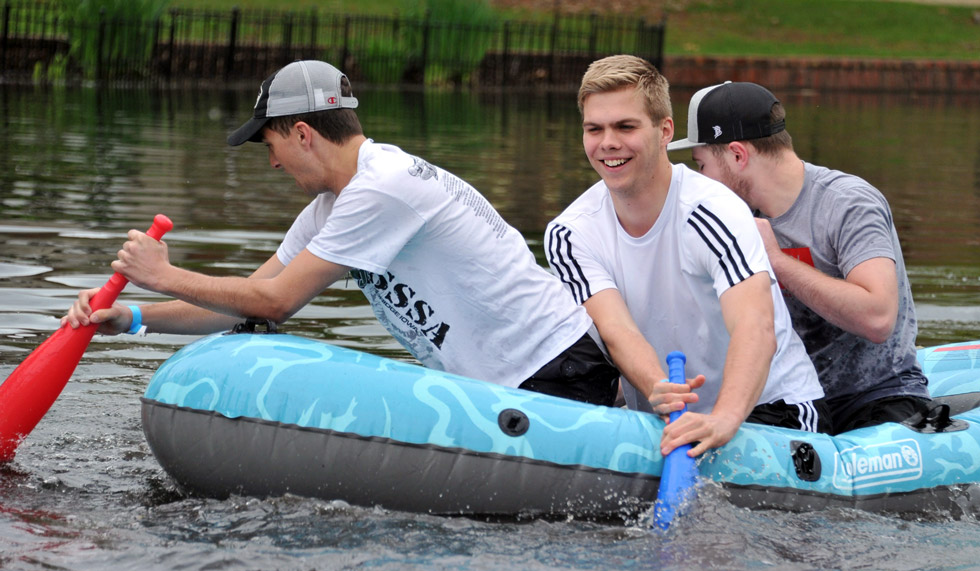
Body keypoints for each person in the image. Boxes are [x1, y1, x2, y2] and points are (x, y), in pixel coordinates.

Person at [63, 59, 620, 406]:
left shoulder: (381, 187)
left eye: (271, 146)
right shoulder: (334, 205)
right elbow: (246, 306)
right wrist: (132, 319)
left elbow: (275, 303)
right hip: (508, 382)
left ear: (302, 133)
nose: (273, 164)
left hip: (556, 370)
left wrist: (163, 276)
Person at [544, 55, 829, 459]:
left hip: (772, 407)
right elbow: (617, 330)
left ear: (665, 131)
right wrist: (659, 386)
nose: (608, 142)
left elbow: (756, 325)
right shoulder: (569, 233)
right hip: (670, 417)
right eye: (595, 129)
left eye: (626, 126)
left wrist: (725, 419)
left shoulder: (713, 209)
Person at [669, 81, 930, 433]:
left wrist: (776, 261)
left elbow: (878, 318)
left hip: (876, 397)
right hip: (789, 401)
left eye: (701, 165)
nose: (700, 180)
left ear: (737, 155)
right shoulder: (727, 218)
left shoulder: (848, 203)